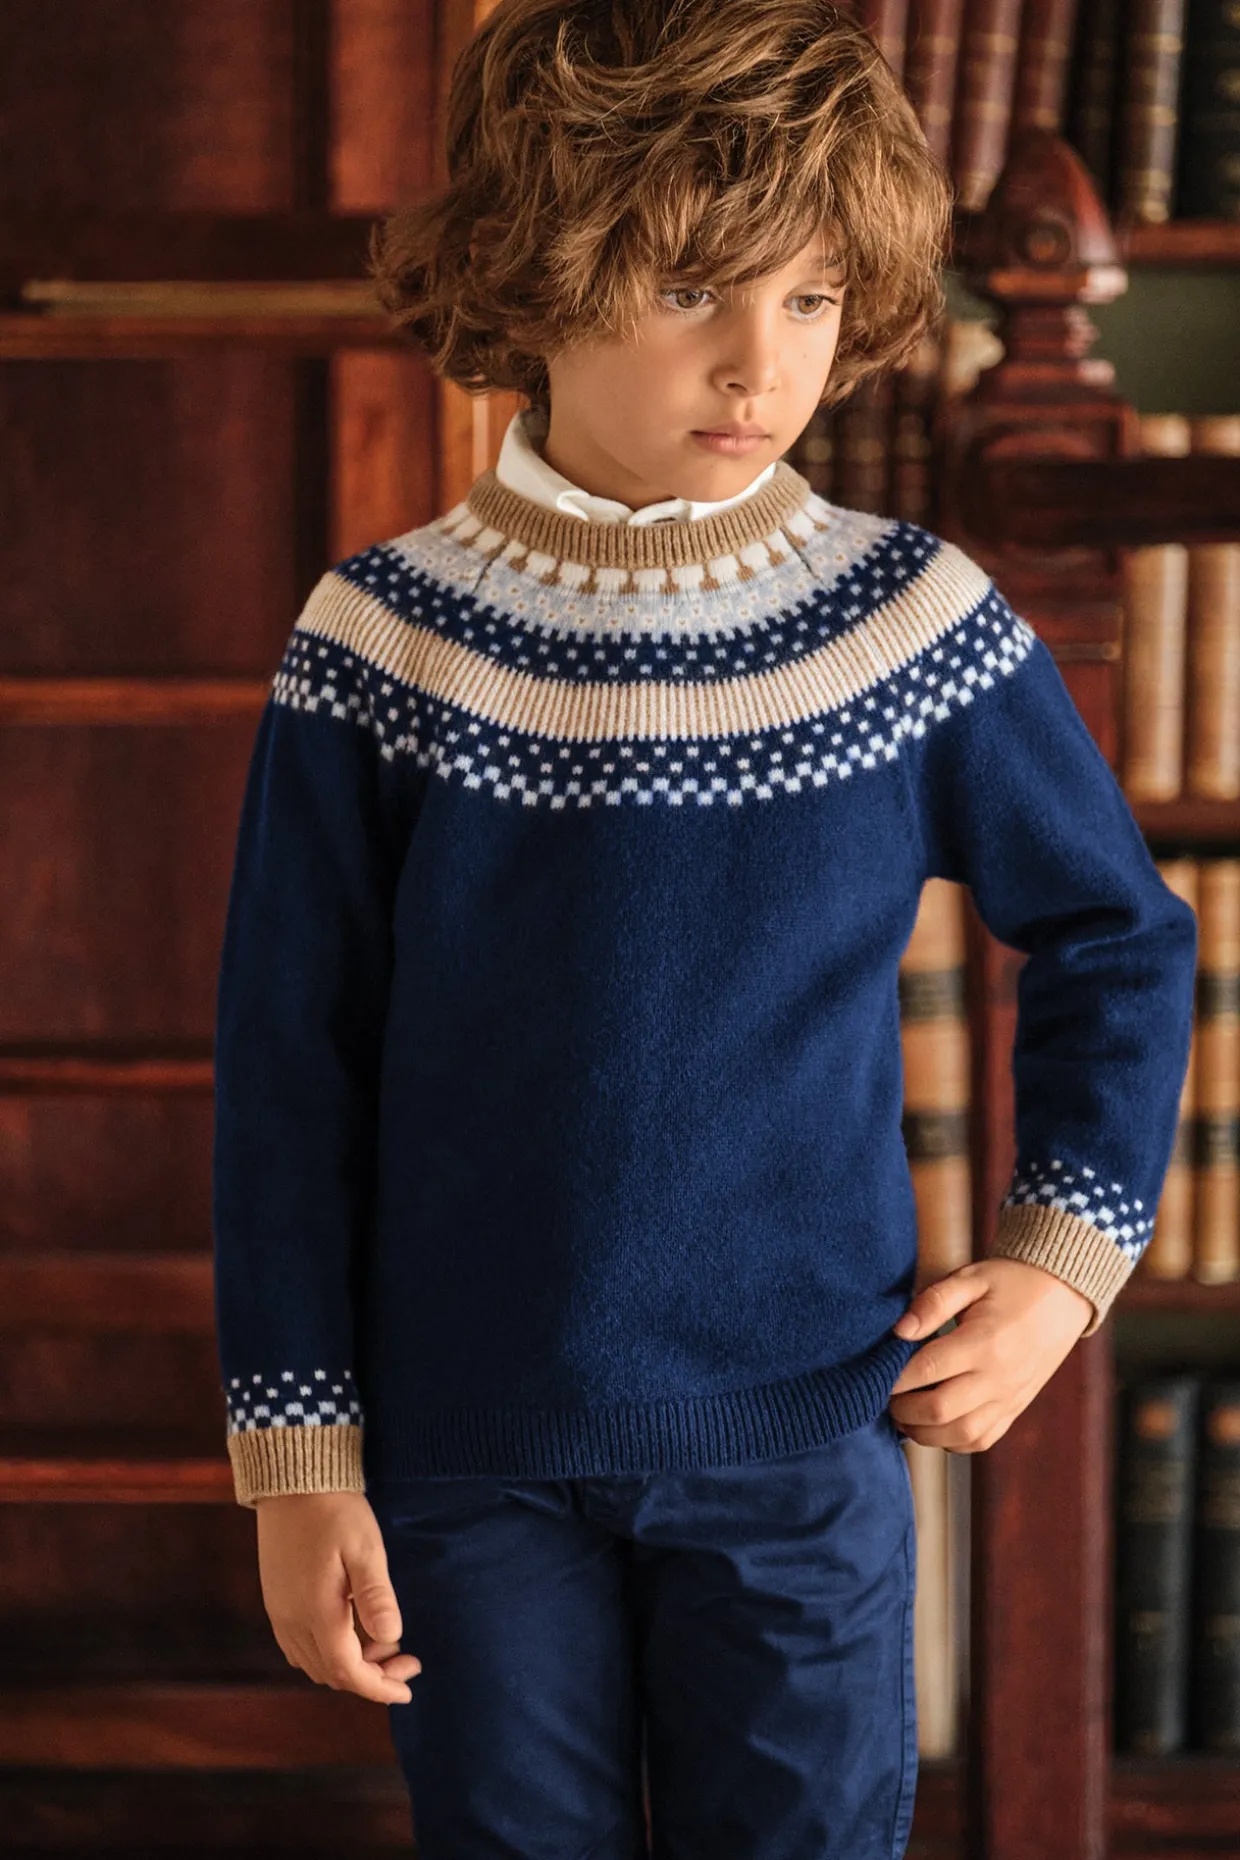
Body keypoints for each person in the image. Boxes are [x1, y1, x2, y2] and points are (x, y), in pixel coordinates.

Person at [210, 2, 1199, 1853]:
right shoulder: (378, 643)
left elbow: (1119, 936)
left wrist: (1062, 1267)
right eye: (691, 290)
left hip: (803, 1441)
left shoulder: (911, 623)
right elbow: (287, 1074)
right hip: (465, 1462)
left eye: (813, 300)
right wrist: (294, 1459)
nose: (762, 363)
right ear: (539, 272)